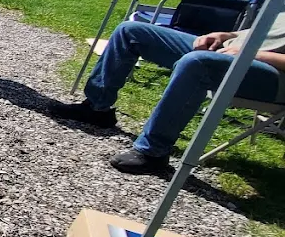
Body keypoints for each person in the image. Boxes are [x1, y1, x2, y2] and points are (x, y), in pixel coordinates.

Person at [49, 19, 285, 173]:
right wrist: (226, 35)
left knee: (197, 63)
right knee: (131, 31)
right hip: (234, 49)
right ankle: (97, 108)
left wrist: (254, 54)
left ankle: (154, 151)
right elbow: (271, 31)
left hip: (273, 74)